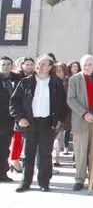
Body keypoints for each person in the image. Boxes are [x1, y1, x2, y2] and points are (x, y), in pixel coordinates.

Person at [10, 55, 67, 192]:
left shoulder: (56, 83)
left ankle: (44, 182)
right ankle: (25, 182)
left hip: (47, 122)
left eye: (43, 64)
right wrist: (19, 118)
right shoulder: (26, 82)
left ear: (50, 67)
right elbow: (14, 102)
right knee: (28, 154)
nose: (39, 66)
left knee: (45, 154)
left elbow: (62, 104)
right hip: (29, 122)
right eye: (38, 63)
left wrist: (60, 120)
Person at [66, 55, 93, 191]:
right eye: (84, 65)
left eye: (89, 64)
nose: (87, 67)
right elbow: (71, 99)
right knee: (80, 150)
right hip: (81, 118)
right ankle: (79, 179)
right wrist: (84, 113)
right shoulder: (75, 79)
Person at [0, 56, 15, 182]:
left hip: (10, 121)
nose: (6, 66)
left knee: (5, 148)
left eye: (8, 64)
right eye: (3, 64)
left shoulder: (17, 79)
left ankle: (2, 173)